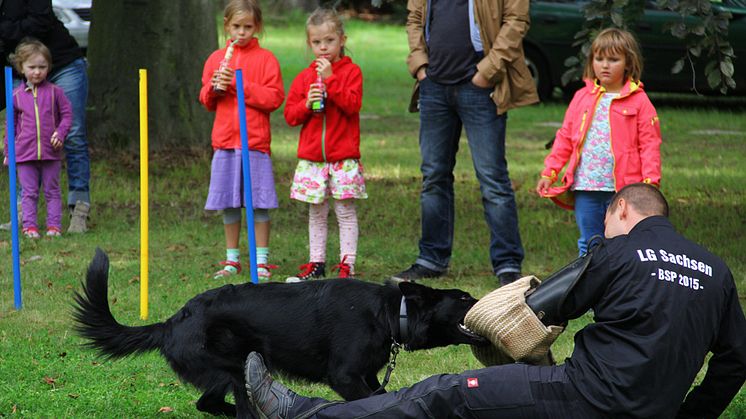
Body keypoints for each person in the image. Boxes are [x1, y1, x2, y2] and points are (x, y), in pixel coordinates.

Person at [243, 183, 746, 419]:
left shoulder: (618, 251)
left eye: (608, 220)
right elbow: (735, 362)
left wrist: (489, 320)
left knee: (443, 392)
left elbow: (539, 308)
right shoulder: (717, 272)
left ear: (619, 209)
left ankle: (302, 416)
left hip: (586, 396)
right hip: (653, 410)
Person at [390, 0, 539, 285]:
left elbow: (516, 20)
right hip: (434, 85)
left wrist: (487, 72)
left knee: (493, 179)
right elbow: (414, 18)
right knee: (433, 176)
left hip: (480, 88)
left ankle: (507, 264)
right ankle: (431, 259)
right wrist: (421, 66)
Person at [536, 28, 661, 256]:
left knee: (624, 243)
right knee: (589, 242)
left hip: (624, 190)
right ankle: (589, 288)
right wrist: (549, 172)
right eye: (599, 58)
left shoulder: (640, 101)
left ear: (628, 62)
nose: (605, 65)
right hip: (586, 186)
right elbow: (565, 137)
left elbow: (649, 145)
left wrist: (650, 183)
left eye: (613, 59)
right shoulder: (581, 97)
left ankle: (621, 289)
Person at [199, 0, 284, 280]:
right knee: (229, 203)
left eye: (248, 27)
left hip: (255, 143)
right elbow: (206, 101)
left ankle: (261, 260)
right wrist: (214, 88)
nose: (242, 32)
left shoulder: (266, 59)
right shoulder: (215, 58)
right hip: (225, 142)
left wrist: (238, 84)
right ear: (226, 26)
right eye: (236, 26)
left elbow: (273, 98)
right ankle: (231, 259)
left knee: (258, 203)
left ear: (257, 26)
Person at [284, 8, 366, 282]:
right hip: (313, 160)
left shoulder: (351, 72)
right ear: (310, 44)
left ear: (342, 39)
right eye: (317, 42)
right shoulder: (304, 77)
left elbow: (353, 105)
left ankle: (347, 265)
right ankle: (316, 262)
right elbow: (290, 116)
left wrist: (332, 80)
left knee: (344, 211)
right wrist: (307, 103)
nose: (323, 48)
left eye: (329, 41)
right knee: (316, 213)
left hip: (343, 157)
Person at [0, 0, 92, 234]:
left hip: (62, 64)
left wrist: (8, 30)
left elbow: (40, 22)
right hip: (22, 68)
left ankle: (79, 210)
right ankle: (23, 214)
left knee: (72, 134)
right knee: (22, 135)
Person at [3, 39, 71, 238]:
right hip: (25, 154)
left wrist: (60, 132)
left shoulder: (55, 92)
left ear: (49, 67)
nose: (37, 72)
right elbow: (10, 126)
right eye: (32, 67)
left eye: (42, 67)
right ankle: (29, 226)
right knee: (29, 192)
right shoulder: (15, 96)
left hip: (51, 152)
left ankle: (54, 227)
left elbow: (67, 115)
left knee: (52, 190)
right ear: (21, 68)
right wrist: (9, 152)